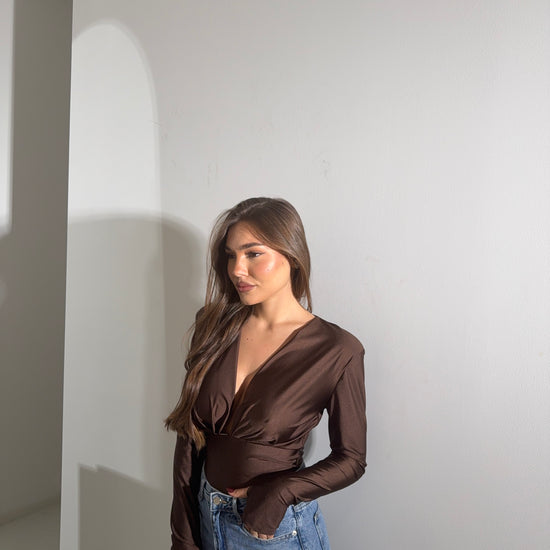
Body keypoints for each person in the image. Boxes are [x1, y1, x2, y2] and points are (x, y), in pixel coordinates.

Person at [165, 197, 366, 549]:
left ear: (292, 255)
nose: (237, 269)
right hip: (207, 515)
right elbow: (190, 438)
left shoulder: (337, 350)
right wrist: (183, 537)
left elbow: (351, 460)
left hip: (274, 530)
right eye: (231, 255)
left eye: (253, 254)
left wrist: (282, 491)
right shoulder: (213, 327)